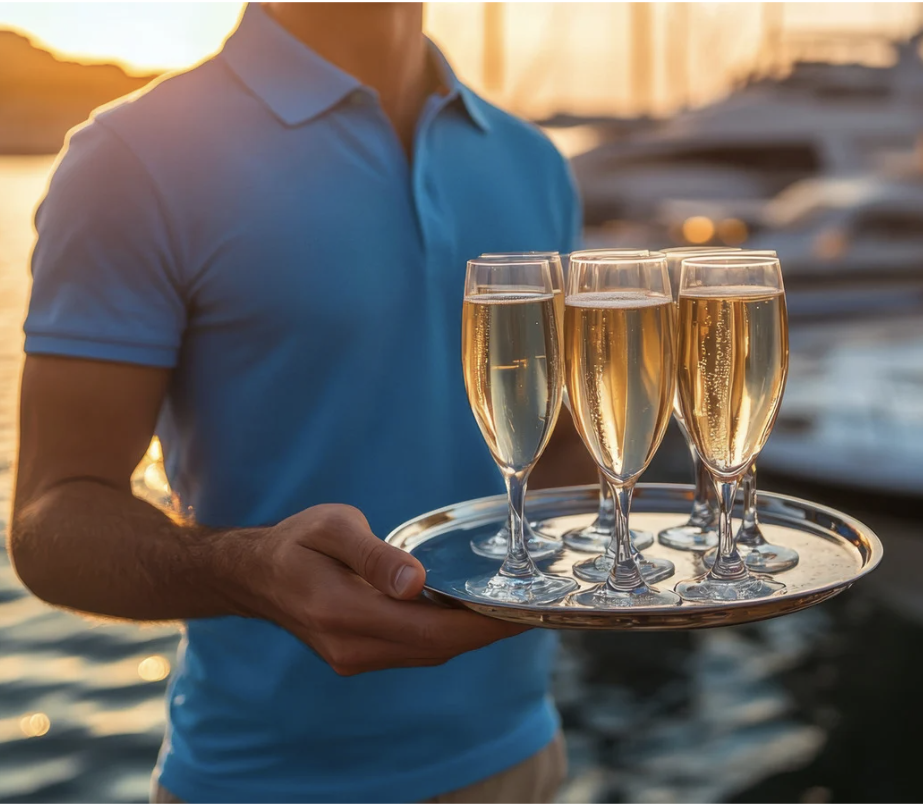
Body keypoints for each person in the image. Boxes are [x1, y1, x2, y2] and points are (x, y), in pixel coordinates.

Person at [10, 3, 594, 802]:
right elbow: (52, 517)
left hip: (524, 754)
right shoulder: (133, 158)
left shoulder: (532, 161)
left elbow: (564, 446)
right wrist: (245, 571)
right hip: (264, 782)